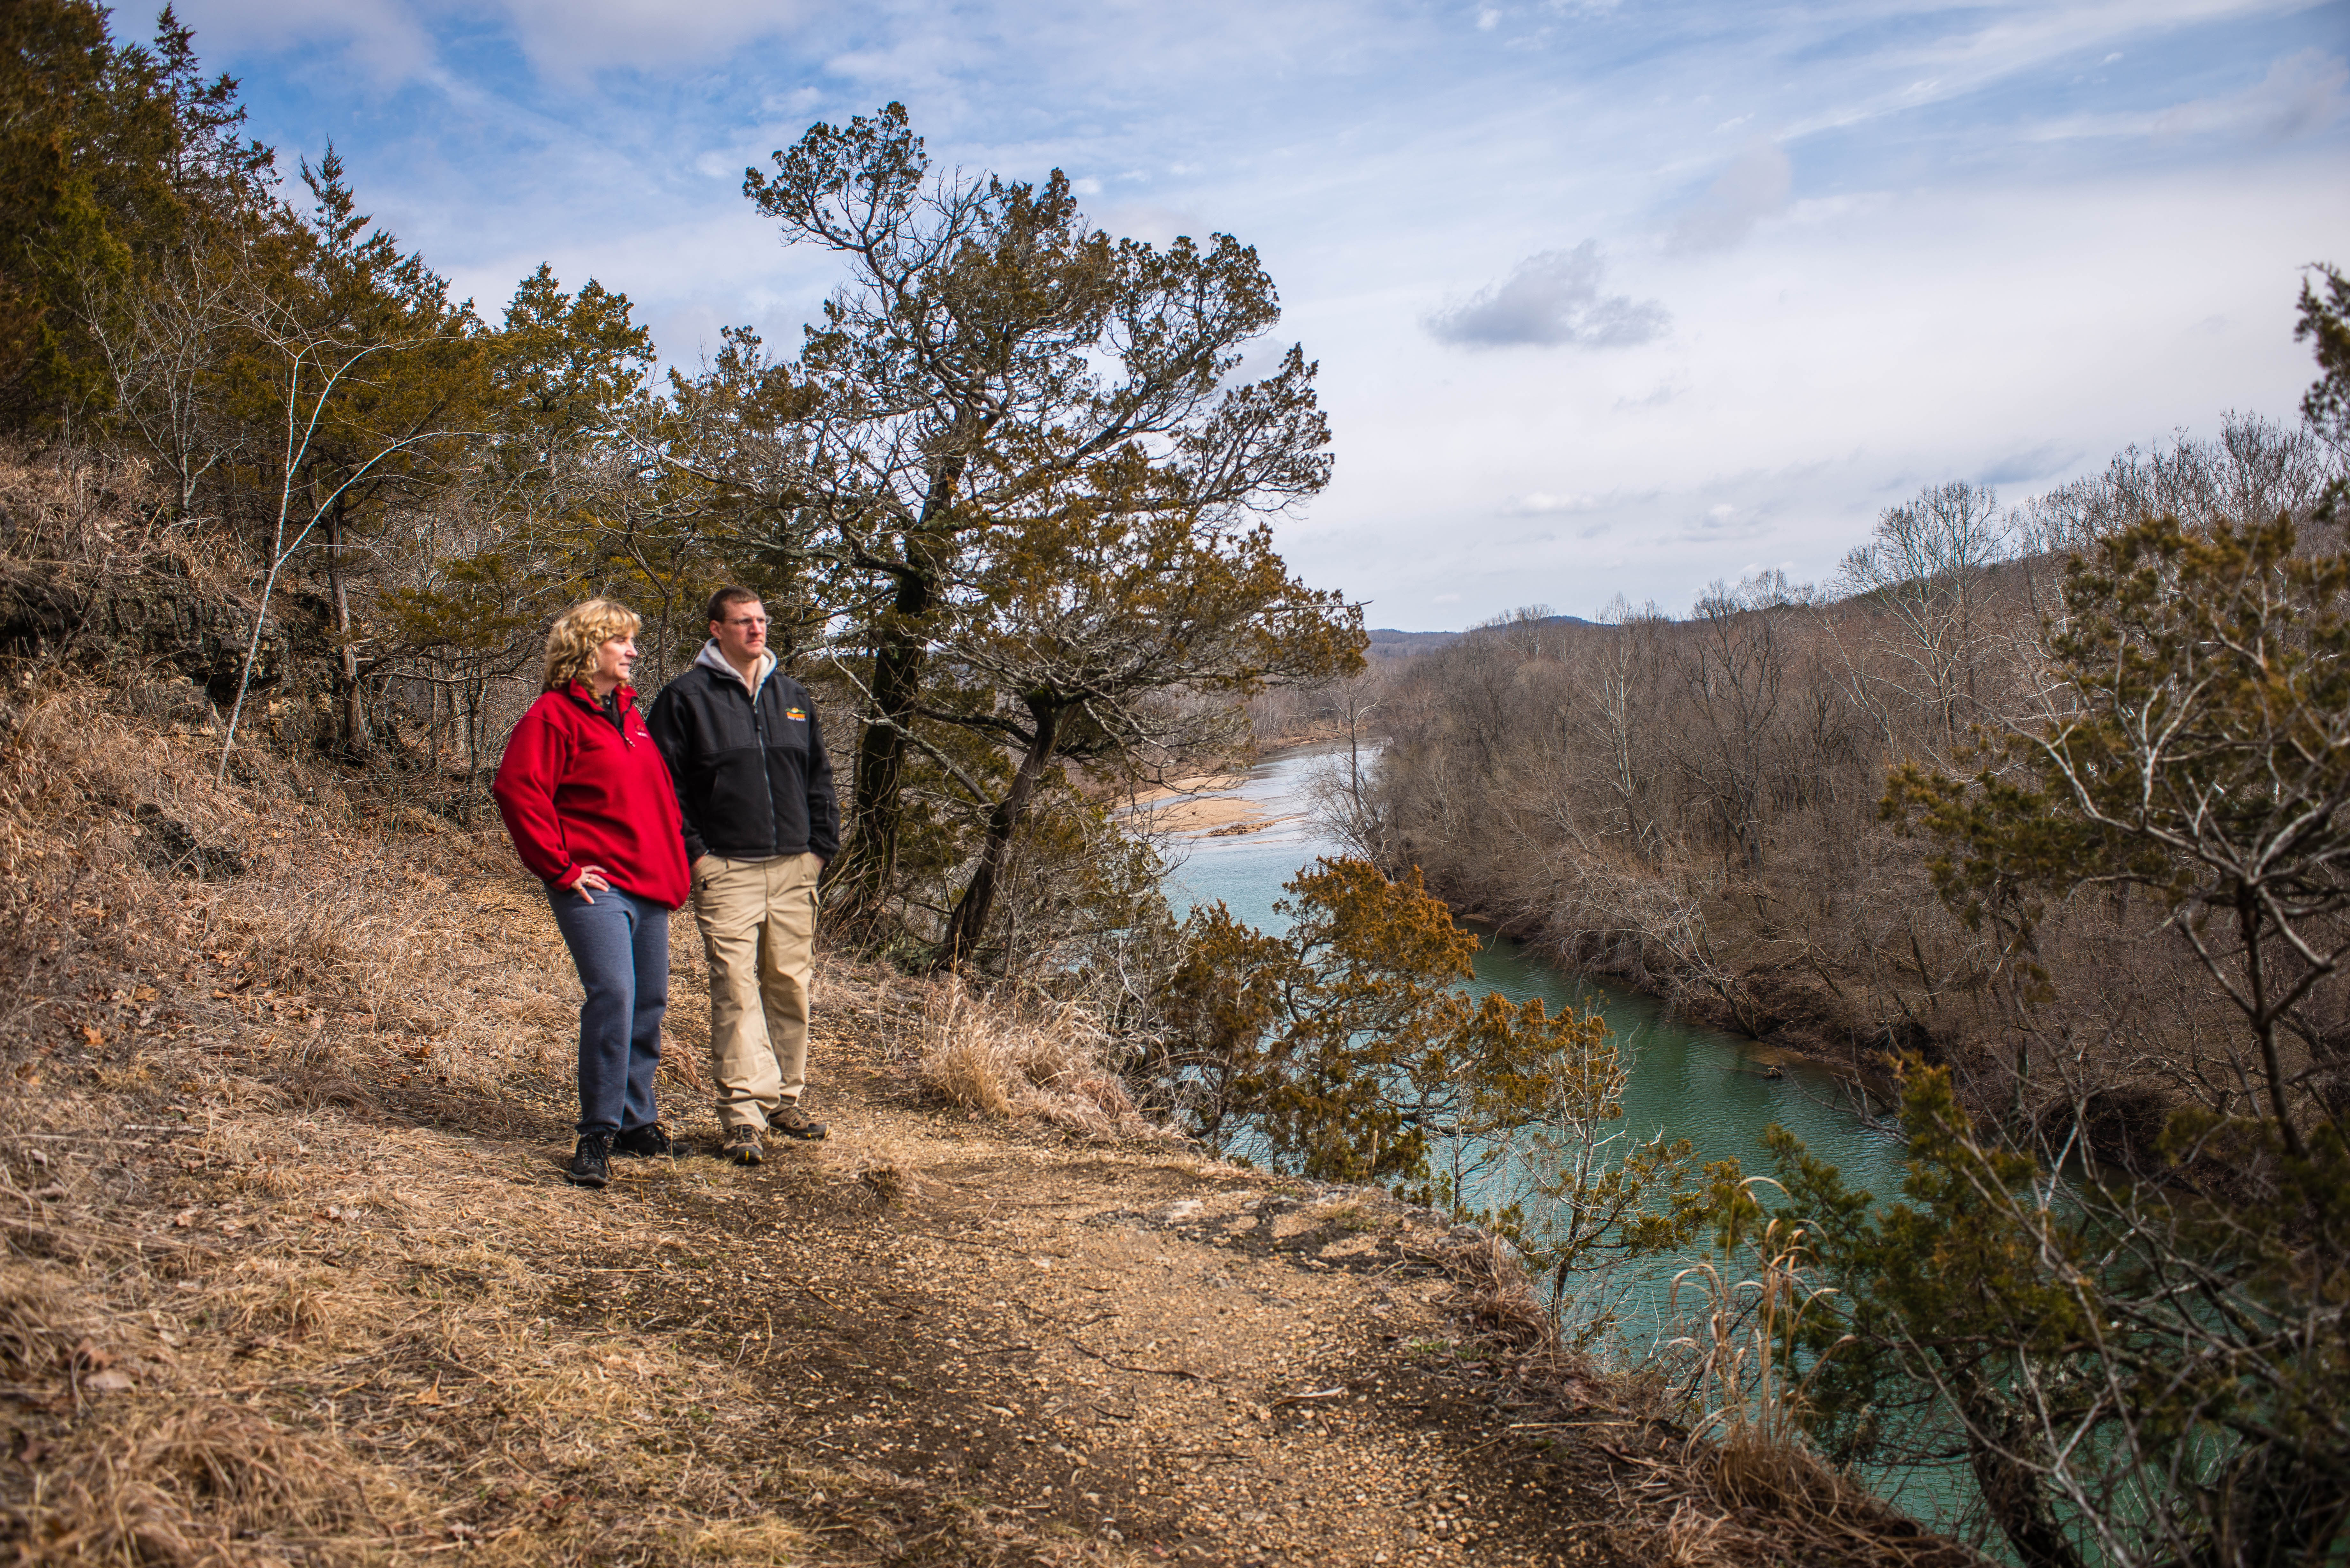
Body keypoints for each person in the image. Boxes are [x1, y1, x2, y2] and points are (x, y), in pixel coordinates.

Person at [492, 599, 690, 1188]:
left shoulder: (630, 716)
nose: (634, 652)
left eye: (633, 641)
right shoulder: (553, 716)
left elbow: (652, 799)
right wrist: (561, 866)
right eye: (622, 641)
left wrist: (678, 862)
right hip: (595, 885)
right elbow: (518, 791)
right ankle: (597, 1133)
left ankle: (636, 1121)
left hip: (650, 883)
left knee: (649, 1001)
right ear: (589, 648)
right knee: (614, 995)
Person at [648, 586, 839, 1165]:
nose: (757, 630)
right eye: (743, 622)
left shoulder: (793, 695)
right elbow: (665, 788)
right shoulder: (685, 699)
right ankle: (742, 1116)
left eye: (761, 620)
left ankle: (784, 1100)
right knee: (735, 990)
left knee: (789, 986)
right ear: (716, 629)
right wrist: (698, 856)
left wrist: (819, 851)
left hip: (792, 869)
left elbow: (819, 780)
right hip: (726, 869)